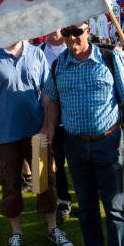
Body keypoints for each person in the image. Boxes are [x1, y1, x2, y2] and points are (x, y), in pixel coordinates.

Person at [42, 21, 124, 246]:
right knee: (86, 206)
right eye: (66, 32)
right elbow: (51, 100)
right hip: (74, 144)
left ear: (88, 31)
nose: (71, 37)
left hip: (108, 143)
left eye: (77, 31)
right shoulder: (58, 64)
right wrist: (48, 130)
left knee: (114, 207)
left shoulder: (109, 58)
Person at [0, 40, 74, 246]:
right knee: (10, 185)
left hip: (36, 133)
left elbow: (48, 94)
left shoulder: (36, 54)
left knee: (45, 182)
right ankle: (16, 233)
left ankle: (52, 228)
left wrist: (48, 126)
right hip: (5, 135)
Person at [40, 29, 73, 224]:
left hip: (74, 112)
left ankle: (88, 198)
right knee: (56, 161)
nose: (51, 30)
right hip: (49, 114)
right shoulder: (39, 51)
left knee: (80, 160)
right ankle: (63, 200)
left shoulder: (72, 47)